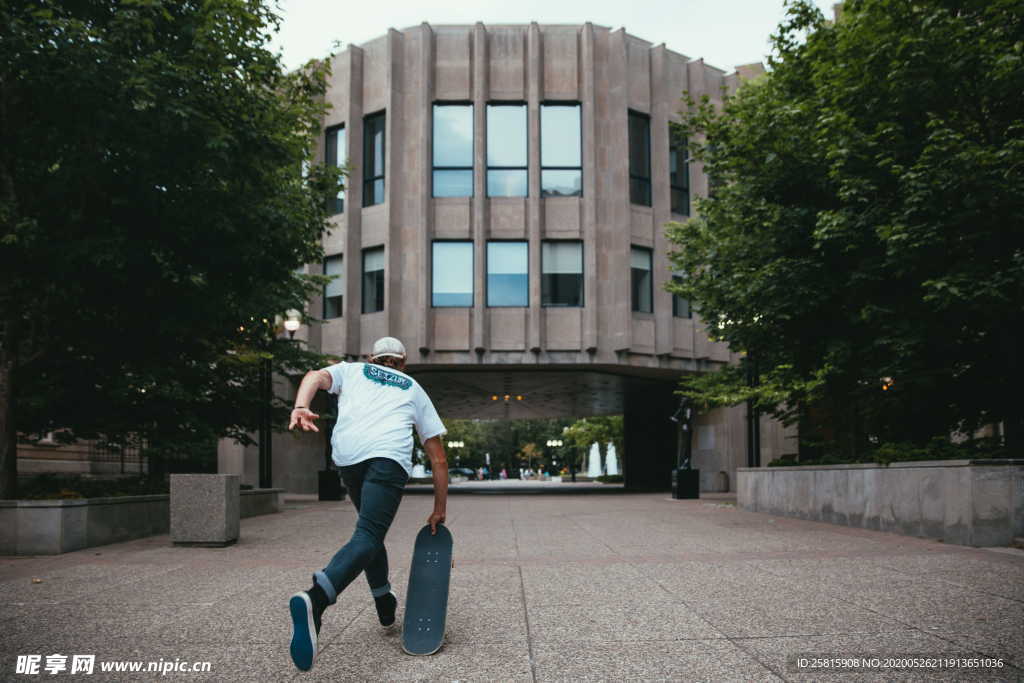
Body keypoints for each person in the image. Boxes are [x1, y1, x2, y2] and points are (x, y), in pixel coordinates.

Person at [285, 336, 448, 671]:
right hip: (387, 457)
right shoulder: (413, 387)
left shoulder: (351, 370)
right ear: (403, 363)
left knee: (369, 531)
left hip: (349, 457)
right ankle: (317, 598)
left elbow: (313, 376)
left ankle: (383, 600)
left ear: (371, 357)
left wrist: (301, 406)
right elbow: (439, 459)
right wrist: (439, 509)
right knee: (370, 534)